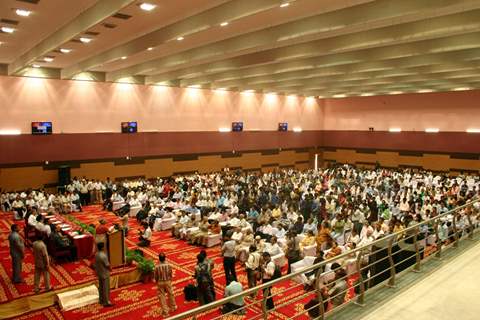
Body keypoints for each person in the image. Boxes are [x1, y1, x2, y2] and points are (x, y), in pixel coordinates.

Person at [154, 252, 177, 317]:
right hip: (167, 281)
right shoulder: (168, 265)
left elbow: (155, 276)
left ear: (159, 259)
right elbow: (170, 273)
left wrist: (157, 282)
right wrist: (170, 280)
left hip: (160, 282)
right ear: (165, 258)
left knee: (162, 297)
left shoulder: (156, 266)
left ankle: (165, 312)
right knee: (170, 293)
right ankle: (173, 307)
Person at [94, 242, 113, 307]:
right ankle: (106, 302)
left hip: (99, 273)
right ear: (102, 247)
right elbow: (107, 265)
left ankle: (101, 300)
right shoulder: (103, 255)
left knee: (101, 287)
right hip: (105, 273)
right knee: (105, 288)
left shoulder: (96, 254)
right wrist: (111, 269)